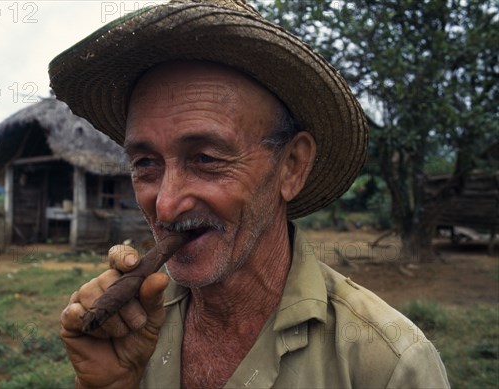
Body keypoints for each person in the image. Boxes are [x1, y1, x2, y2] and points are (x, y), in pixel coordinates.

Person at [49, 1, 450, 388]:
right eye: (145, 164)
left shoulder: (387, 366)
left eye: (206, 158)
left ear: (291, 166)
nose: (166, 205)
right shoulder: (134, 325)